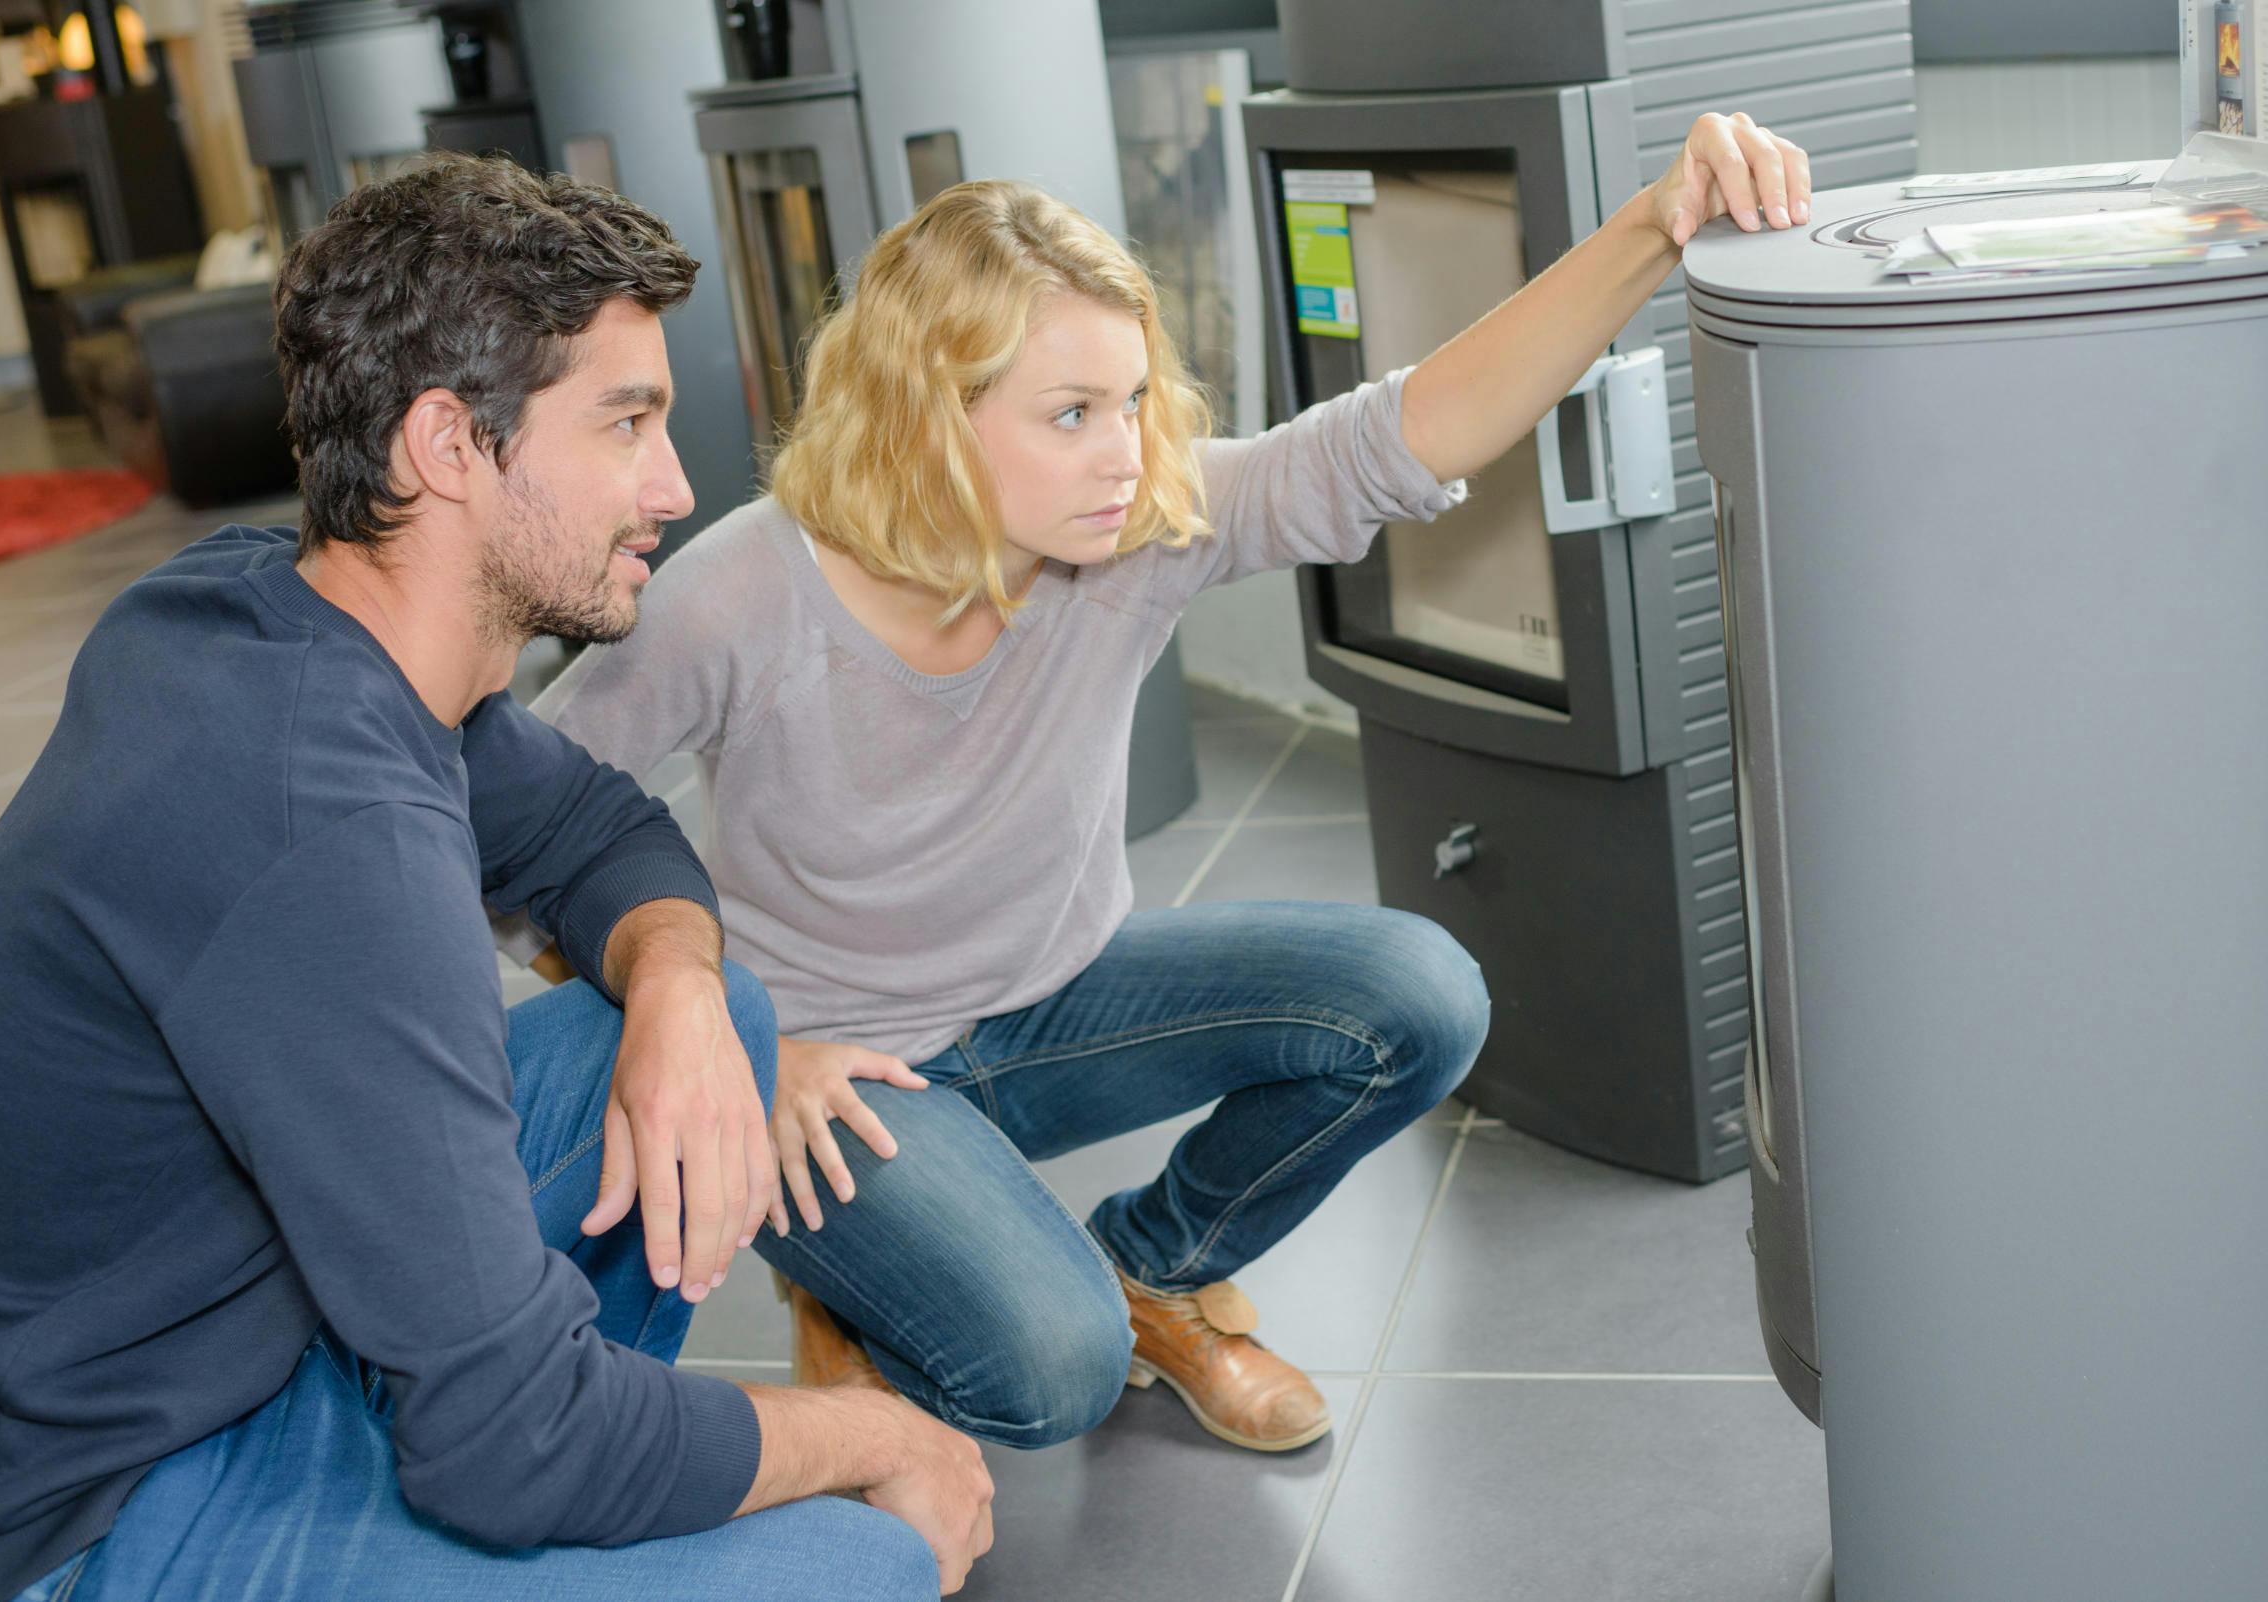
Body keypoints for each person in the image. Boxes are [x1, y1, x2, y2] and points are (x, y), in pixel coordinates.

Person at [514, 114, 1813, 1454]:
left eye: (1133, 401)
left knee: (1419, 995)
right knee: (1047, 1374)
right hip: (836, 1071)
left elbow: (1408, 434)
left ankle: (1152, 1264)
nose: (1126, 451)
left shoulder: (1131, 532)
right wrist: (729, 1046)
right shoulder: (736, 593)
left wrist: (1657, 225)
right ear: (923, 413)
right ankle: (858, 1284)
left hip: (1056, 1002)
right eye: (1072, 413)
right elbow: (515, 842)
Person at [0, 156, 991, 1602]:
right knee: (862, 1559)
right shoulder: (326, 835)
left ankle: (523, 1407)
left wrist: (683, 994)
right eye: (627, 423)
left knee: (705, 1025)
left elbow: (604, 834)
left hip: (193, 1342)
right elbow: (515, 1451)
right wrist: (868, 1430)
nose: (677, 483)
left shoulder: (253, 606)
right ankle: (525, 1436)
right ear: (449, 444)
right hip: (54, 1517)